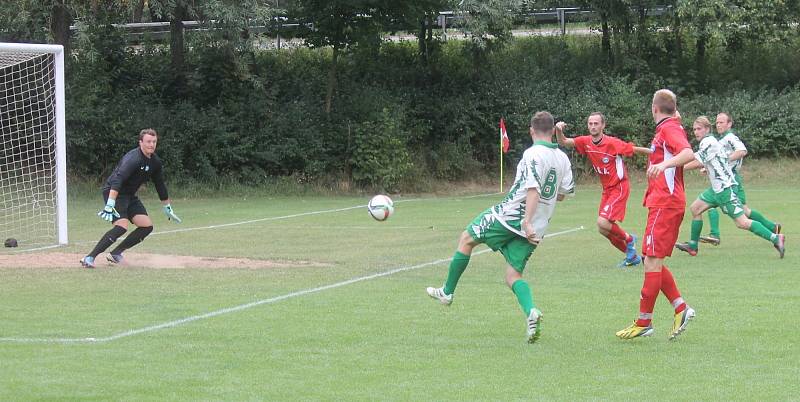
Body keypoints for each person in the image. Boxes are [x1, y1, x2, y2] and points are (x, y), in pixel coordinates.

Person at [425, 111, 574, 344]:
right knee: (513, 275)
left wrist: (526, 220)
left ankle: (447, 292)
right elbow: (562, 195)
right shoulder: (562, 158)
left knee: (467, 238)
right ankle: (531, 312)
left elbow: (533, 190)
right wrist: (533, 221)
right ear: (553, 130)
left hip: (513, 216)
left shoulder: (532, 153)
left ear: (532, 131)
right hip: (539, 225)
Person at [616, 89, 696, 340]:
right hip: (663, 201)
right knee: (653, 259)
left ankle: (644, 322)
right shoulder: (671, 125)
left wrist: (663, 165)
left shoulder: (669, 129)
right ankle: (681, 308)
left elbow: (687, 153)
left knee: (651, 259)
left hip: (666, 202)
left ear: (654, 108)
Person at [674, 117, 785, 258]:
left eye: (699, 128)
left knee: (742, 222)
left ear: (708, 129)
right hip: (716, 189)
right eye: (694, 129)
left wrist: (675, 168)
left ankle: (776, 238)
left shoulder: (708, 142)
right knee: (695, 208)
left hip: (725, 189)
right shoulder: (710, 141)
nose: (696, 132)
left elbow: (696, 161)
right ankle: (693, 246)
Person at [555, 112, 651, 267]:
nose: (593, 126)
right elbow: (564, 141)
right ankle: (631, 257)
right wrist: (558, 130)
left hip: (619, 187)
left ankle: (630, 239)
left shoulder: (612, 143)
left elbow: (634, 149)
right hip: (607, 190)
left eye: (596, 123)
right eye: (590, 123)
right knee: (603, 229)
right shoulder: (586, 141)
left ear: (603, 125)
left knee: (603, 222)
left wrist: (656, 154)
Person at [80, 128, 182, 268]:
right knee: (121, 226)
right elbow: (118, 179)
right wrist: (110, 203)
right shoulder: (133, 158)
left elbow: (160, 185)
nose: (151, 144)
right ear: (140, 142)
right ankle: (89, 257)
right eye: (148, 141)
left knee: (146, 226)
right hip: (115, 192)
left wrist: (167, 207)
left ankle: (116, 253)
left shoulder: (155, 162)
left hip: (129, 195)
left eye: (154, 141)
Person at [698, 113, 782, 245]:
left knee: (714, 206)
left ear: (729, 124)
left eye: (721, 122)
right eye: (717, 123)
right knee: (744, 211)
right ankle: (772, 227)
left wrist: (725, 161)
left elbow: (742, 150)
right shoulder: (720, 140)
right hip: (727, 178)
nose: (718, 125)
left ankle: (714, 234)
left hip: (729, 180)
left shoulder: (730, 137)